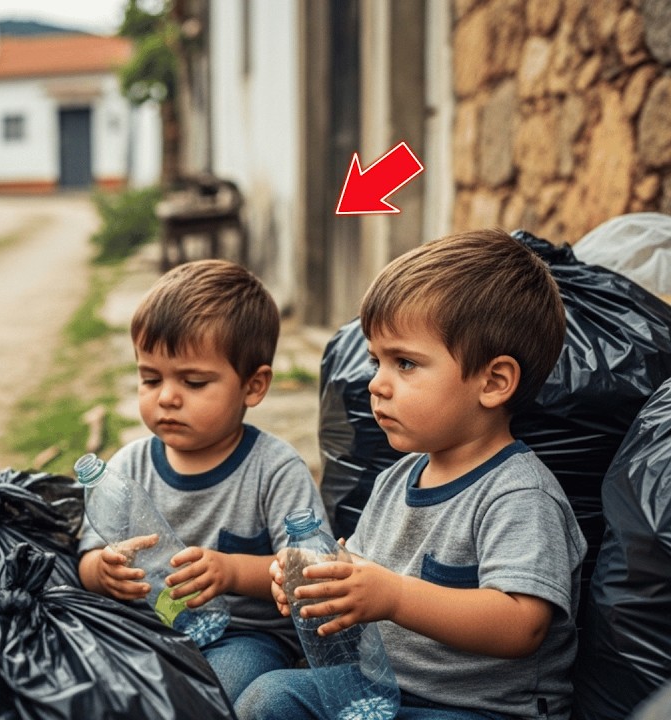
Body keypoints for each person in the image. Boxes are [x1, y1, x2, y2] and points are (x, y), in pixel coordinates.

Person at [239, 229, 587, 720]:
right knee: (268, 697)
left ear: (493, 381)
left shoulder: (519, 494)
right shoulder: (395, 479)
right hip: (386, 690)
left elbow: (521, 625)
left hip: (479, 711)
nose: (376, 384)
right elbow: (360, 573)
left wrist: (394, 596)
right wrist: (319, 583)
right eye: (375, 361)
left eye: (405, 363)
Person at [76, 259, 325, 709]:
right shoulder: (129, 465)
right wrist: (103, 571)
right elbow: (88, 557)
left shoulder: (274, 468)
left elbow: (305, 569)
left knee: (210, 692)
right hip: (151, 629)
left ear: (253, 386)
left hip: (246, 637)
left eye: (193, 381)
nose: (167, 396)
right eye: (150, 378)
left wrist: (231, 572)